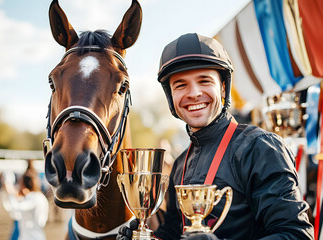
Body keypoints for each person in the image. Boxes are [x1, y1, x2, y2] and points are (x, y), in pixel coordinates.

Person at [117, 33, 314, 239]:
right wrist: (149, 237)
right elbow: (176, 233)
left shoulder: (260, 147)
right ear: (171, 96)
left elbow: (297, 234)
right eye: (181, 85)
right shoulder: (180, 163)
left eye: (204, 81)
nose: (193, 93)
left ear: (222, 87)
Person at [3, 169, 49, 240]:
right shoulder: (39, 197)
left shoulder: (34, 198)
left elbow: (15, 208)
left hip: (32, 236)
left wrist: (11, 194)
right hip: (33, 235)